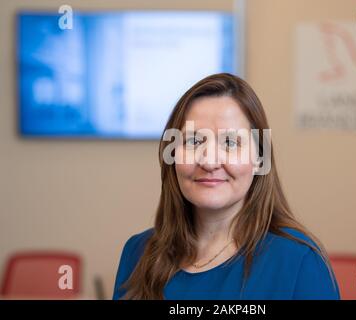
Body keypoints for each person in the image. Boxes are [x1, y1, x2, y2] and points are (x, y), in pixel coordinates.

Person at [113, 73, 340, 300]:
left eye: (230, 143)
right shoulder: (137, 252)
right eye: (193, 141)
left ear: (261, 158)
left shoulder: (300, 261)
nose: (210, 162)